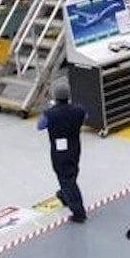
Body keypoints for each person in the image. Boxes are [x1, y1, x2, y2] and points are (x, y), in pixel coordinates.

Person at [37, 84, 87, 223]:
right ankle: (64, 196)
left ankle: (78, 212)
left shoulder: (50, 114)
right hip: (74, 148)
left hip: (59, 152)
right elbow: (85, 117)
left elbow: (40, 126)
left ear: (55, 97)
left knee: (66, 179)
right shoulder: (78, 110)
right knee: (71, 173)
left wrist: (47, 110)